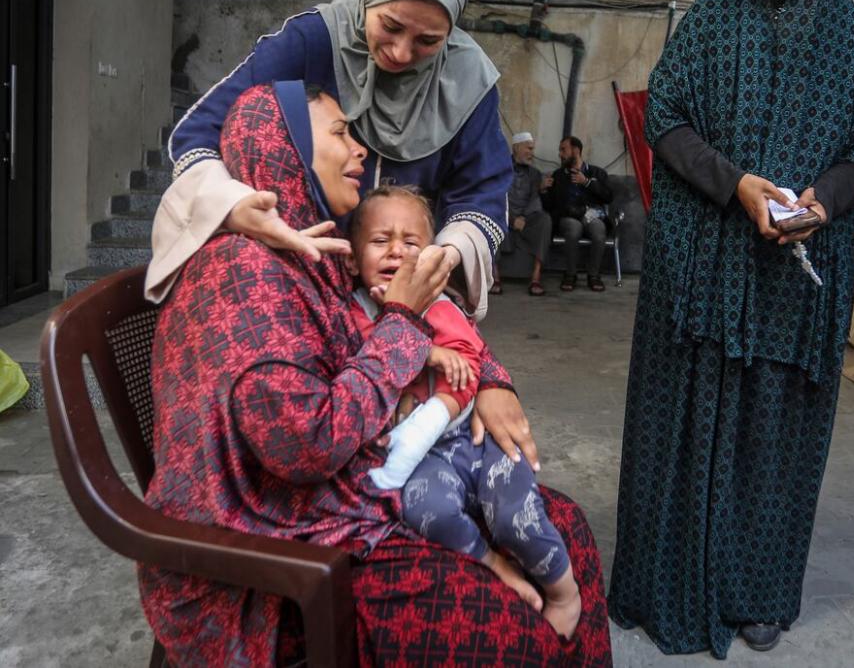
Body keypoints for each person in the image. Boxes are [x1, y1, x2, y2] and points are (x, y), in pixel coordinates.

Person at [140, 82, 611, 665]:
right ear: (282, 146)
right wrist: (403, 323)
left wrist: (487, 376)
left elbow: (437, 324)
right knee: (516, 628)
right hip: (281, 548)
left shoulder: (314, 251)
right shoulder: (244, 274)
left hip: (353, 493)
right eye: (339, 132)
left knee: (568, 531)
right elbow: (307, 445)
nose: (359, 148)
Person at [607, 0, 854, 658]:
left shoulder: (850, 40)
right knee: (684, 422)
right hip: (702, 268)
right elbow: (664, 116)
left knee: (773, 431)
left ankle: (760, 596)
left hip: (787, 282)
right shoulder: (710, 22)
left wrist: (821, 205)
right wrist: (736, 185)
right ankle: (660, 579)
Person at [146, 0, 509, 323]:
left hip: (407, 300)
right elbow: (199, 135)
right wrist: (233, 205)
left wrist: (444, 256)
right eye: (390, 25)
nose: (402, 53)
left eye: (429, 41)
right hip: (296, 284)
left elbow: (483, 194)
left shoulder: (469, 82)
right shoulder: (312, 42)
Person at [347, 185, 582, 638]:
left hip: (476, 437)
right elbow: (361, 364)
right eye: (380, 241)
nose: (397, 250)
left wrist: (434, 349)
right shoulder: (352, 314)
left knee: (516, 516)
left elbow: (468, 356)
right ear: (353, 259)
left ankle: (563, 592)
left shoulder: (440, 305)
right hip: (427, 455)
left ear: (432, 256)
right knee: (424, 509)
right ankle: (486, 559)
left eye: (411, 243)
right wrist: (426, 353)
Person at [541, 136, 614, 292]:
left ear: (576, 150)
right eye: (560, 150)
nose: (560, 154)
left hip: (593, 215)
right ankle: (570, 274)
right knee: (573, 230)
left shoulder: (597, 172)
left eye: (563, 150)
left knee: (599, 232)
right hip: (569, 216)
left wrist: (586, 182)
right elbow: (549, 205)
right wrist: (543, 190)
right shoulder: (558, 176)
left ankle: (593, 275)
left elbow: (608, 196)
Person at [492, 131, 553, 296]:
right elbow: (496, 197)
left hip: (526, 218)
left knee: (545, 220)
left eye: (532, 149)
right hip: (504, 216)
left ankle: (535, 277)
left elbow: (534, 198)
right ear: (516, 148)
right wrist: (512, 219)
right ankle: (494, 277)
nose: (531, 153)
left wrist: (523, 217)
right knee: (489, 218)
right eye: (528, 148)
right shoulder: (501, 170)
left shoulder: (534, 173)